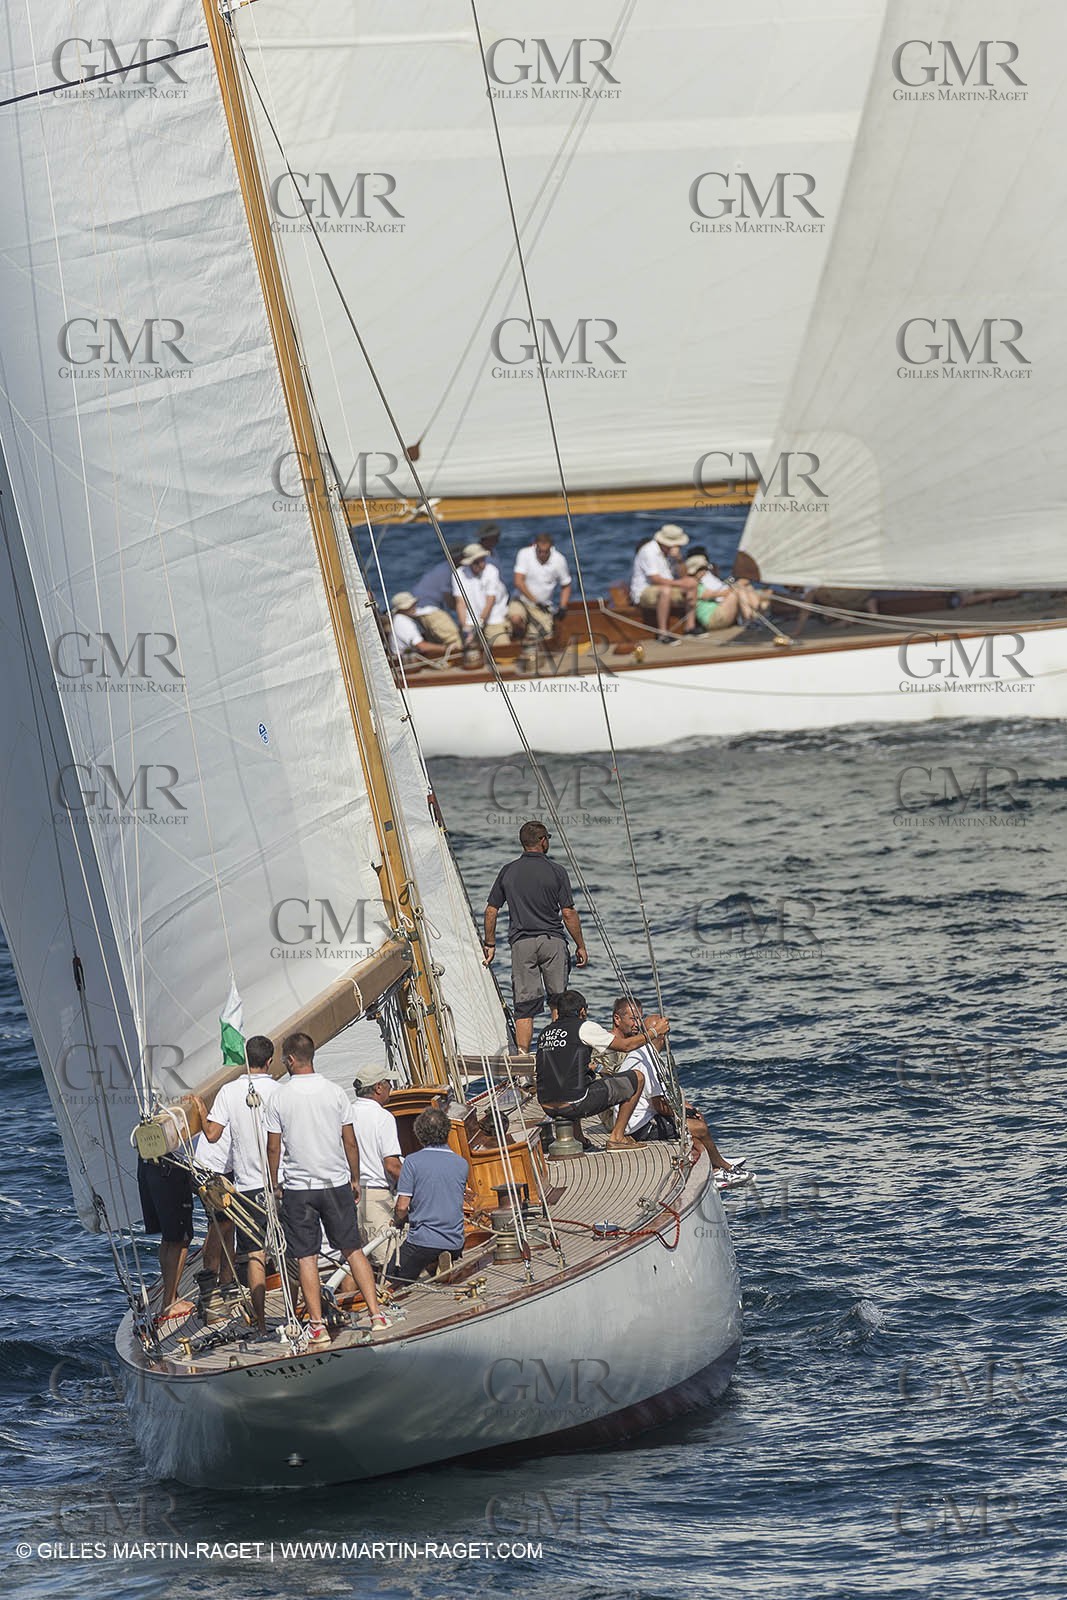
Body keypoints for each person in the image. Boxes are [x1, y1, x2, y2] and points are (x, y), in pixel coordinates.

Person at [265, 1031, 388, 1342]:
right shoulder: (335, 1093)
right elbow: (350, 1142)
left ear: (290, 1060)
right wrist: (356, 1178)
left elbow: (273, 1148)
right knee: (352, 1249)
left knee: (306, 1257)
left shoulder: (279, 1097)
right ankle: (376, 1315)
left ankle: (317, 1325)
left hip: (299, 1188)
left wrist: (274, 1181)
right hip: (335, 1183)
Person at [195, 1035, 281, 1336]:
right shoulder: (282, 1091)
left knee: (255, 1255)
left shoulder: (229, 1092)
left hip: (246, 1187)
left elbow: (212, 1134)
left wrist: (200, 1109)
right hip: (282, 1183)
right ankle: (307, 1317)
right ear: (271, 1060)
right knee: (294, 1251)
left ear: (245, 1059)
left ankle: (260, 1324)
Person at [484, 820, 588, 1053]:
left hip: (522, 945)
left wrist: (490, 943)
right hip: (552, 942)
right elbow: (568, 913)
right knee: (558, 1002)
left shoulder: (508, 871)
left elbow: (491, 910)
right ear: (543, 841)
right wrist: (580, 945)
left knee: (524, 1007)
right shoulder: (557, 871)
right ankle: (557, 1055)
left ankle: (522, 1064)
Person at [612, 1000, 739, 1172]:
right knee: (699, 1128)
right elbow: (659, 1106)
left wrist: (685, 1108)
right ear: (662, 1037)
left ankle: (715, 1166)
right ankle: (723, 1165)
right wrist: (685, 1112)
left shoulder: (640, 1052)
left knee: (693, 1125)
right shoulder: (649, 1060)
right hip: (638, 1128)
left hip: (635, 1120)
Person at [535, 990, 647, 1149]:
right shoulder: (584, 1027)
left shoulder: (545, 1032)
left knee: (576, 1079)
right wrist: (654, 1032)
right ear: (582, 1011)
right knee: (638, 1078)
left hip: (545, 1105)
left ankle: (578, 1137)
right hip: (574, 1104)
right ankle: (618, 1137)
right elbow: (626, 1046)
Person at [388, 1107, 469, 1284]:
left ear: (419, 1134)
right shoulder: (461, 1164)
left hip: (423, 1241)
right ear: (447, 1131)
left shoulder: (412, 1162)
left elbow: (402, 1206)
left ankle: (432, 1264)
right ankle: (438, 1263)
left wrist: (398, 1220)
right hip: (455, 1241)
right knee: (430, 1253)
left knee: (391, 1274)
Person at [347, 1065, 403, 1265]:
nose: (391, 1088)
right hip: (376, 1199)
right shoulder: (383, 1117)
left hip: (350, 1197)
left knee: (356, 1261)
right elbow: (392, 1166)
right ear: (378, 1087)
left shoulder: (346, 1114)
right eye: (389, 1084)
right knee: (390, 1263)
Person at [137, 1152, 195, 1326]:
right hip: (170, 1171)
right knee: (181, 1239)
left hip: (148, 1167)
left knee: (169, 1238)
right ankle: (170, 1303)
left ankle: (170, 1297)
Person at [192, 1121, 236, 1307]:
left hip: (228, 1165)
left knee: (230, 1221)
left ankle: (227, 1281)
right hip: (210, 1166)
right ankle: (210, 1288)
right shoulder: (224, 1096)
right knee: (219, 1223)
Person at [629, 524, 697, 643]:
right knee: (665, 590)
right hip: (644, 591)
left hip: (668, 586)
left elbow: (684, 575)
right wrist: (680, 583)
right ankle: (663, 633)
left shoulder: (672, 553)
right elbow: (655, 579)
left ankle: (690, 627)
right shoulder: (648, 551)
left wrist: (679, 560)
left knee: (692, 583)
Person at [509, 533, 572, 647]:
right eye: (539, 551)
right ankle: (519, 640)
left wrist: (563, 606)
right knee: (516, 618)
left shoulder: (559, 560)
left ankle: (530, 636)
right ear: (534, 546)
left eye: (546, 552)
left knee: (545, 637)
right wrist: (534, 600)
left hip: (542, 607)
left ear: (551, 548)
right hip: (521, 600)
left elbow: (566, 585)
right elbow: (518, 581)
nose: (542, 554)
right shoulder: (524, 554)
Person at [452, 542, 510, 652]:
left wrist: (481, 621)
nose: (481, 564)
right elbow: (460, 602)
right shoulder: (458, 574)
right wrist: (465, 628)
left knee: (504, 650)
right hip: (470, 622)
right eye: (477, 562)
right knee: (464, 650)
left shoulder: (491, 571)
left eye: (483, 560)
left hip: (492, 617)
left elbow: (490, 600)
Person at [411, 546, 466, 647]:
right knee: (454, 638)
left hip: (421, 610)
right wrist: (462, 611)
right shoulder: (447, 572)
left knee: (437, 640)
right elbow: (449, 600)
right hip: (428, 609)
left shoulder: (442, 568)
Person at [386, 592, 447, 663]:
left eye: (413, 604)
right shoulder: (402, 621)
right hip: (407, 664)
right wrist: (446, 648)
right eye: (410, 605)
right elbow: (422, 646)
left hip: (410, 660)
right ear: (400, 609)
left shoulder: (401, 618)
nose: (414, 606)